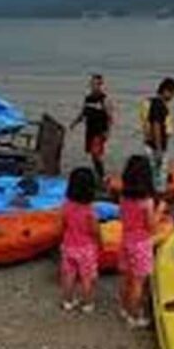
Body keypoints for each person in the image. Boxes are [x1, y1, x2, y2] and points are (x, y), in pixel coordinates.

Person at [118, 155, 161, 328]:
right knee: (138, 282)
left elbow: (123, 218)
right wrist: (160, 210)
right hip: (141, 245)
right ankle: (134, 316)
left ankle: (123, 308)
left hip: (125, 241)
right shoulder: (147, 202)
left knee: (126, 278)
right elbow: (151, 227)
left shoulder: (122, 198)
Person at [59, 167, 101, 313]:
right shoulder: (89, 211)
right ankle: (87, 303)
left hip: (69, 246)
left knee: (69, 275)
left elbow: (63, 224)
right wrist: (100, 243)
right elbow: (95, 231)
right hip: (86, 249)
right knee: (87, 277)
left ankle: (67, 301)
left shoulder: (66, 206)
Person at [140, 77, 174, 196]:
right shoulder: (159, 105)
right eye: (173, 93)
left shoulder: (153, 103)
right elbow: (156, 126)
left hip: (150, 145)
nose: (173, 97)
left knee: (153, 176)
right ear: (166, 91)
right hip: (156, 147)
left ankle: (151, 203)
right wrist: (159, 150)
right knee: (159, 180)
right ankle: (157, 204)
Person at [71, 74, 113, 181]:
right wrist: (75, 123)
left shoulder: (104, 99)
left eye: (97, 84)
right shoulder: (88, 99)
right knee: (93, 155)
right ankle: (99, 175)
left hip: (100, 131)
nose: (95, 86)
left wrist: (108, 131)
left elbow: (109, 116)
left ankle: (102, 175)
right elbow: (83, 113)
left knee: (96, 154)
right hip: (90, 130)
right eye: (93, 84)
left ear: (101, 85)